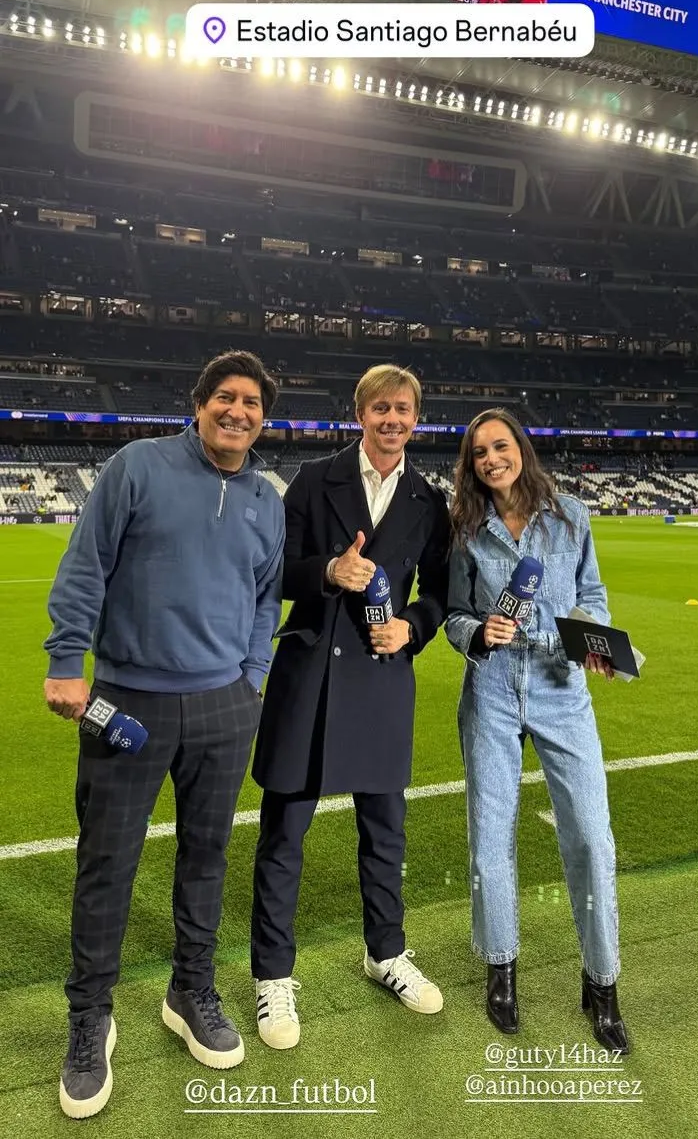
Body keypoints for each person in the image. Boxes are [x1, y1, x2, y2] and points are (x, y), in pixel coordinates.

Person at [43, 351, 285, 1119]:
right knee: (107, 863)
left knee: (206, 858)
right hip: (128, 701)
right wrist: (65, 658)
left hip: (223, 707)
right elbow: (85, 567)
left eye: (250, 403)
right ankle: (90, 1020)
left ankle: (191, 990)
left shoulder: (266, 499)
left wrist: (251, 673)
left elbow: (265, 596)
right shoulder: (136, 467)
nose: (236, 411)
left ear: (262, 419)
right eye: (225, 398)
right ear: (201, 401)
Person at [251, 364, 451, 1049]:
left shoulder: (428, 497)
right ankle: (272, 977)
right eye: (380, 409)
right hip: (311, 673)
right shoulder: (313, 480)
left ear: (414, 419)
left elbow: (441, 594)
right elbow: (273, 571)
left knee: (386, 836)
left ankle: (385, 952)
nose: (392, 419)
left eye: (403, 409)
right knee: (284, 837)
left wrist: (412, 628)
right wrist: (329, 572)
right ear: (358, 412)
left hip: (383, 677)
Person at [445, 409, 629, 1054]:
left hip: (561, 688)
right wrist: (477, 633)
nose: (491, 459)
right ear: (469, 465)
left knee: (591, 837)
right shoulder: (466, 528)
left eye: (500, 446)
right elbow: (453, 615)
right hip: (492, 690)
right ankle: (501, 970)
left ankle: (601, 982)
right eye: (478, 453)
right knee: (490, 840)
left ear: (520, 447)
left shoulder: (572, 516)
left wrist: (592, 640)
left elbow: (594, 597)